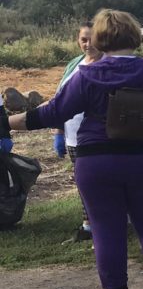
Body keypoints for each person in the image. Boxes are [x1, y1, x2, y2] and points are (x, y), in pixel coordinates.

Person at [8, 9, 143, 289]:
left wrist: (8, 122)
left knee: (105, 227)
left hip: (96, 162)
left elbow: (52, 113)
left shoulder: (86, 75)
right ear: (134, 36)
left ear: (100, 39)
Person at [56, 22, 102, 242]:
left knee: (101, 181)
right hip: (72, 136)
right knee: (82, 182)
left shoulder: (108, 65)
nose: (88, 43)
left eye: (92, 38)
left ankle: (108, 223)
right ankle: (88, 225)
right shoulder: (74, 64)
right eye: (84, 39)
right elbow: (59, 100)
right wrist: (58, 132)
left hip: (100, 137)